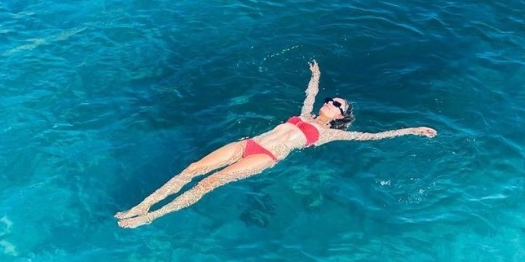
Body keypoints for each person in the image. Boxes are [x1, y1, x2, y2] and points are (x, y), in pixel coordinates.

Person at [115, 60, 437, 228]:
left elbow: (373, 136)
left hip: (267, 155)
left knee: (210, 182)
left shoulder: (330, 134)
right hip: (249, 143)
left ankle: (152, 217)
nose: (329, 102)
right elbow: (310, 93)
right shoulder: (305, 114)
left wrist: (413, 129)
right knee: (193, 168)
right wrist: (316, 75)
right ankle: (142, 205)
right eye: (330, 99)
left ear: (340, 116)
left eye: (335, 104)